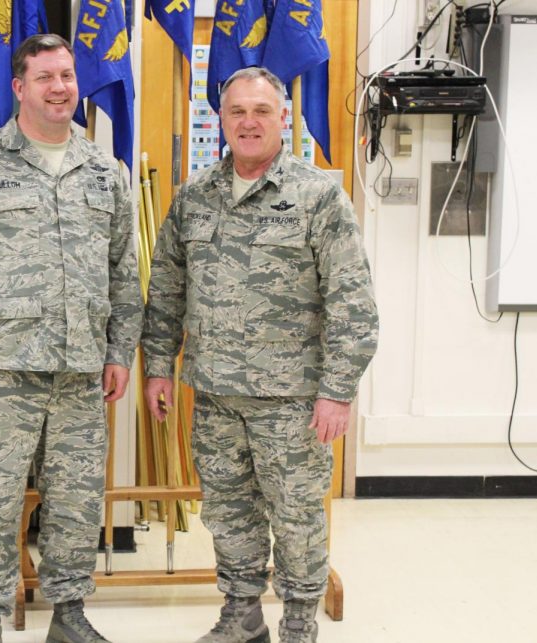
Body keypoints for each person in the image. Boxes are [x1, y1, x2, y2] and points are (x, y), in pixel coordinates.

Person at [0, 34, 142, 643]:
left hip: (80, 373)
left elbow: (125, 273)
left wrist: (119, 351)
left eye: (67, 75)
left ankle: (68, 617)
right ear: (19, 87)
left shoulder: (105, 172)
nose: (60, 87)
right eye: (45, 77)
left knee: (76, 502)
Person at [141, 67, 378, 643]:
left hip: (292, 401)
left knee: (297, 519)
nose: (248, 122)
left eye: (261, 111)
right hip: (216, 395)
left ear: (283, 119)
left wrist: (337, 390)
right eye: (237, 112)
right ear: (220, 120)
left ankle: (299, 624)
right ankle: (242, 617)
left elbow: (353, 302)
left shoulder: (318, 196)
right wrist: (156, 366)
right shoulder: (196, 196)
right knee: (229, 514)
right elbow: (168, 286)